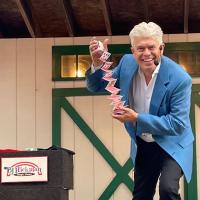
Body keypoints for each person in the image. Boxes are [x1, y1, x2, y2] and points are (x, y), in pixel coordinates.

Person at [85, 22, 194, 200]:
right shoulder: (127, 63)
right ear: (133, 50)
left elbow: (178, 124)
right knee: (141, 195)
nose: (146, 54)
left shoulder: (180, 79)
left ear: (161, 48)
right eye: (140, 48)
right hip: (144, 143)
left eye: (151, 47)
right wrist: (97, 64)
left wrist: (137, 118)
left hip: (173, 142)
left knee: (168, 189)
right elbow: (96, 86)